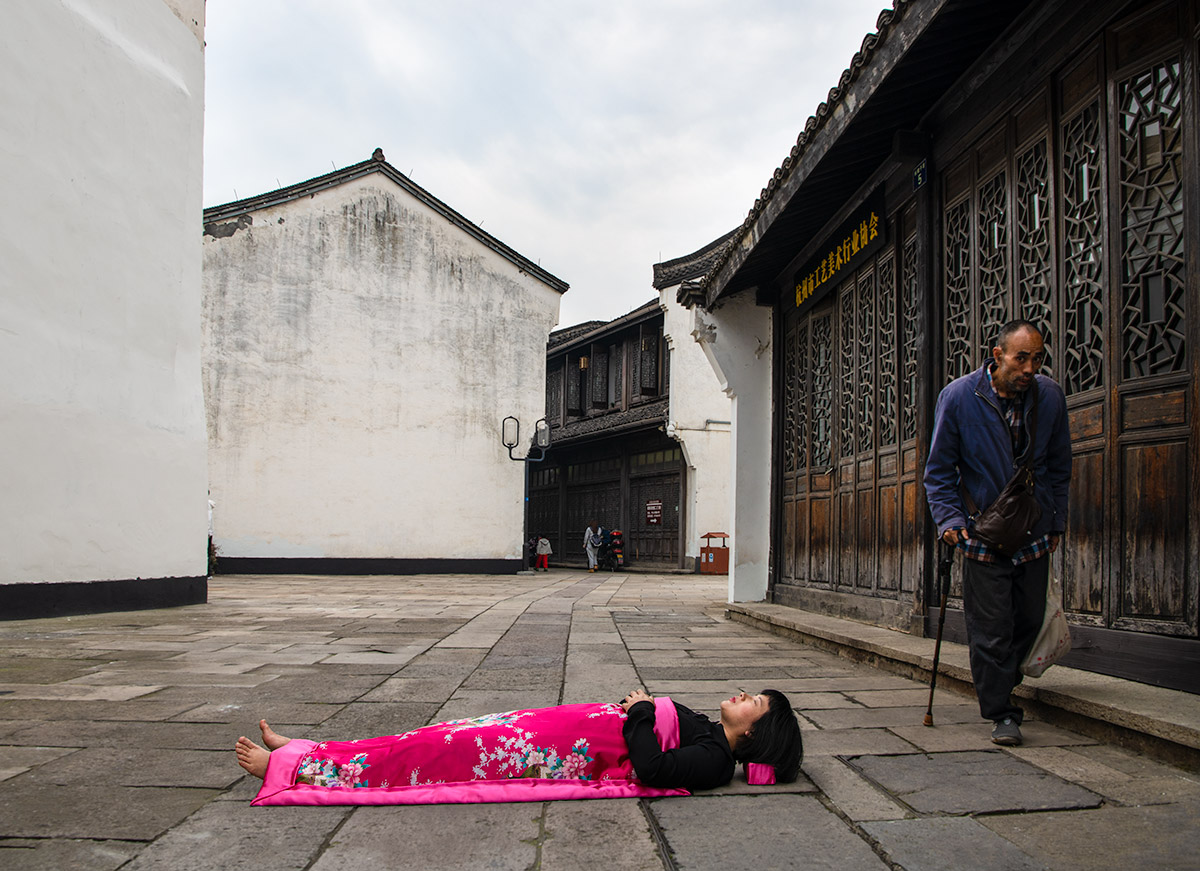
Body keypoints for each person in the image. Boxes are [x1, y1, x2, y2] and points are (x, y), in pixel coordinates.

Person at [924, 319, 1072, 747]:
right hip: (982, 531)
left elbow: (1059, 465)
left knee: (1027, 620)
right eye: (1021, 358)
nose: (1029, 368)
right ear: (997, 355)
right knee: (990, 630)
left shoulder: (1050, 396)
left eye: (1037, 358)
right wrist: (951, 522)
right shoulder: (958, 397)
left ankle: (1004, 681)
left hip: (1035, 530)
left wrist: (1057, 519)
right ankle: (1002, 711)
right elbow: (939, 471)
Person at [234, 688, 802, 797]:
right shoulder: (707, 728)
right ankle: (309, 749)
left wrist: (643, 711)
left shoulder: (712, 759)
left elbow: (651, 767)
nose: (743, 694)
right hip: (559, 727)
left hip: (549, 753)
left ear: (752, 731)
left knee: (428, 759)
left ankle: (291, 771)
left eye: (755, 701)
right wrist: (644, 707)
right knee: (433, 736)